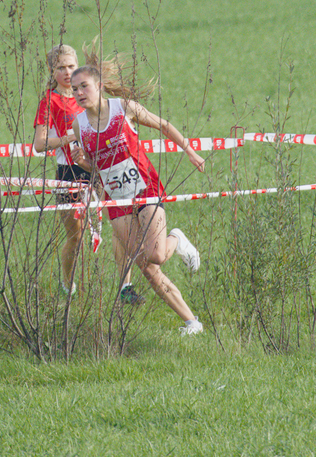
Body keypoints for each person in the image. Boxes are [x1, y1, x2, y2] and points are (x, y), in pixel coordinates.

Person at [69, 61, 207, 336]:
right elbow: (98, 167)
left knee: (156, 255)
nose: (79, 93)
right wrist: (82, 163)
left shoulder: (123, 108)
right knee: (144, 267)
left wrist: (189, 150)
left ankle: (177, 239)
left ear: (99, 85)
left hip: (145, 189)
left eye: (84, 86)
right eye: (74, 89)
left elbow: (163, 125)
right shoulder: (79, 125)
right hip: (116, 200)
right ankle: (192, 323)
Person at [33, 44, 93, 295]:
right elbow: (39, 144)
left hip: (97, 168)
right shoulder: (50, 101)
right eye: (61, 68)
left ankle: (124, 285)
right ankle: (68, 284)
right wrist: (69, 138)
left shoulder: (89, 93)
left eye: (71, 66)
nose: (67, 72)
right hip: (68, 173)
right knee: (76, 236)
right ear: (51, 70)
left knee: (115, 226)